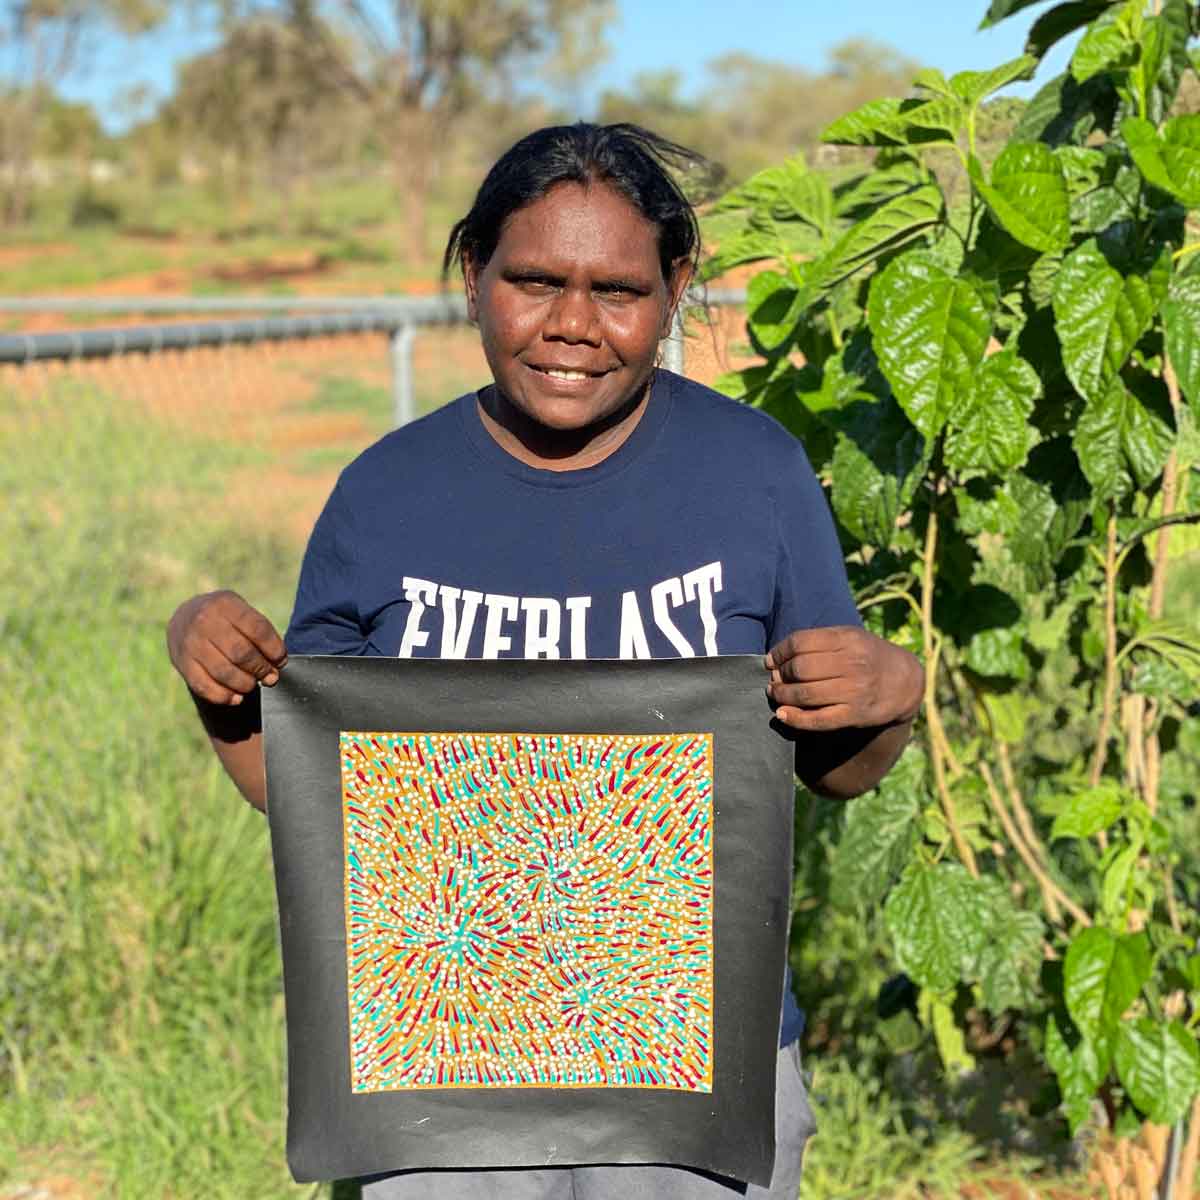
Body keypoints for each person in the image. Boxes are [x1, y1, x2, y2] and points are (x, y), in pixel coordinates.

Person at [166, 122, 923, 1200]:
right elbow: (310, 789)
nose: (573, 325)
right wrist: (215, 678)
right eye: (533, 281)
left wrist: (891, 695)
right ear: (475, 277)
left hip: (693, 1055)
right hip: (436, 1059)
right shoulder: (385, 494)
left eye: (618, 290)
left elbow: (832, 762)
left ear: (676, 288)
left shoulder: (755, 474)